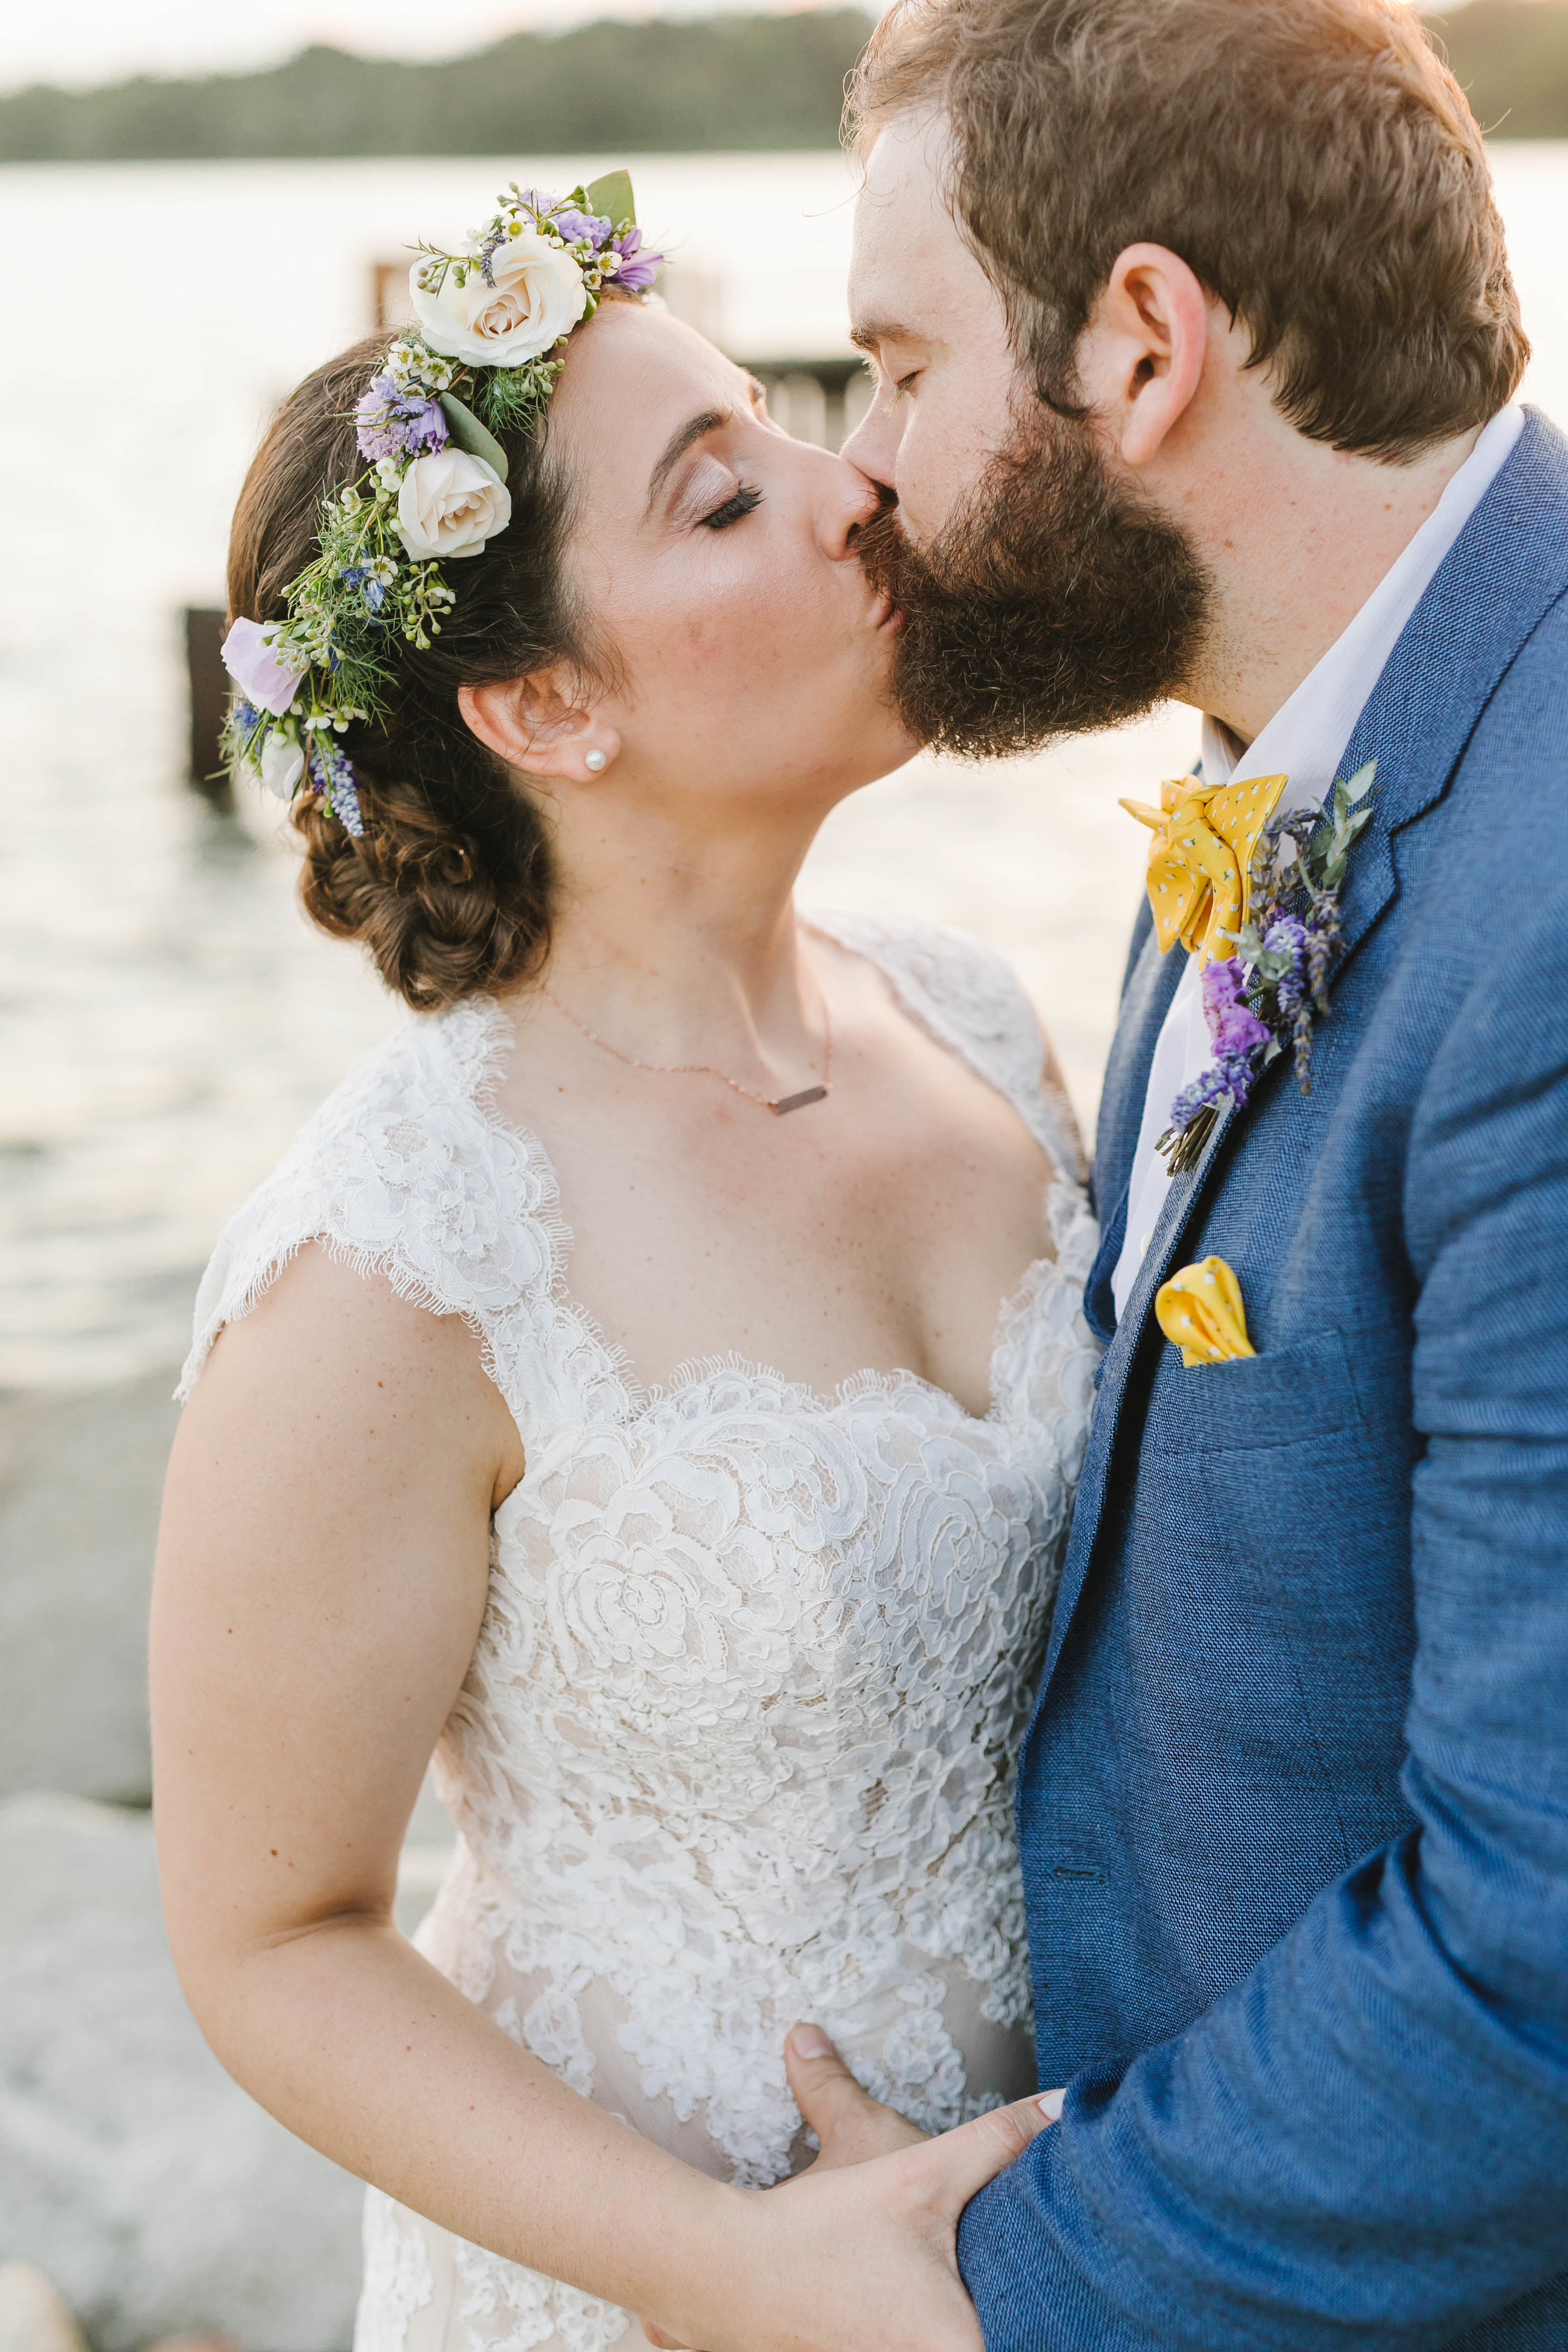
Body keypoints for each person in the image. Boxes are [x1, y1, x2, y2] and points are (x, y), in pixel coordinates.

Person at [148, 177, 1086, 2352]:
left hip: (1072, 2230)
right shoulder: (398, 1258)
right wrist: (741, 2274)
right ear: (547, 709)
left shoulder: (972, 1022)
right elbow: (272, 1934)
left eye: (776, 423)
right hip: (652, 2295)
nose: (852, 483)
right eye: (719, 497)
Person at [765, 0, 1568, 2344]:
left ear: (1140, 344)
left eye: (898, 369)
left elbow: (1539, 1946)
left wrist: (978, 2285)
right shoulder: (1278, 763)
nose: (864, 474)